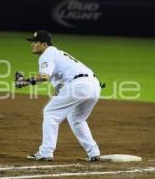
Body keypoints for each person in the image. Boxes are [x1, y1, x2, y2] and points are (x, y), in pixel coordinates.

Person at [15, 30, 102, 161]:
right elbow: (57, 86)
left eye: (35, 42)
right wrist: (26, 82)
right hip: (94, 85)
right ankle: (93, 152)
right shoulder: (57, 55)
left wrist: (25, 81)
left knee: (50, 113)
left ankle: (45, 153)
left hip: (78, 85)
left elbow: (44, 76)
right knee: (76, 119)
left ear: (44, 44)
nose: (32, 44)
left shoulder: (47, 54)